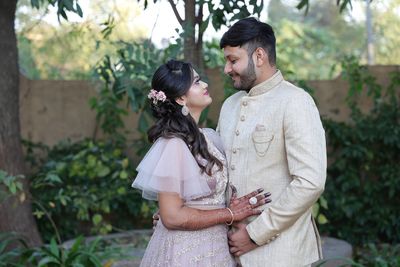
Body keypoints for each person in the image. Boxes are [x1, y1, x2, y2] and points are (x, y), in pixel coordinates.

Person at [131, 59, 271, 267]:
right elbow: (172, 217)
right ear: (180, 98)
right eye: (196, 82)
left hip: (216, 249)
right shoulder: (173, 144)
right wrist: (230, 214)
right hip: (185, 252)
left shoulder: (208, 138)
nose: (205, 84)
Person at [217, 17, 327, 266]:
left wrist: (256, 234)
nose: (227, 69)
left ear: (259, 56)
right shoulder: (230, 106)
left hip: (280, 254)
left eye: (233, 60)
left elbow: (310, 182)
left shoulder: (295, 101)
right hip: (228, 251)